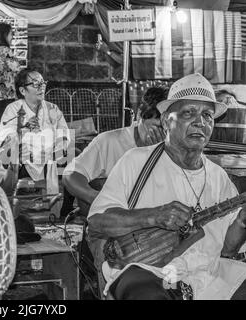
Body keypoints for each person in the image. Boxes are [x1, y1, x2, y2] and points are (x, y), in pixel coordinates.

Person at [87, 73, 246, 300]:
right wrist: (152, 216)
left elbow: (228, 250)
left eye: (207, 115)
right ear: (165, 121)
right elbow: (97, 222)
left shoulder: (218, 177)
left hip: (206, 277)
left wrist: (242, 221)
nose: (200, 122)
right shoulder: (136, 161)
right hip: (150, 272)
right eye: (188, 113)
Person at [63, 86, 168, 215]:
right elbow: (71, 175)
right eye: (158, 126)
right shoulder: (110, 141)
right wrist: (99, 199)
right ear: (141, 114)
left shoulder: (175, 149)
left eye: (168, 128)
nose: (163, 134)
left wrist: (162, 155)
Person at [0, 68, 70, 182]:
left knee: (76, 155)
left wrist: (62, 145)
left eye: (42, 83)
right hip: (25, 161)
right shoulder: (13, 110)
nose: (41, 87)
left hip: (51, 158)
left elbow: (64, 133)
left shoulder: (52, 108)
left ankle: (66, 199)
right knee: (14, 155)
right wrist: (23, 129)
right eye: (36, 84)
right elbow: (7, 138)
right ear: (23, 90)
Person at [0, 22, 21, 122]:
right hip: (6, 97)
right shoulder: (5, 50)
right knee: (8, 128)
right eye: (11, 34)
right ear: (4, 35)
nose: (12, 37)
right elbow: (17, 69)